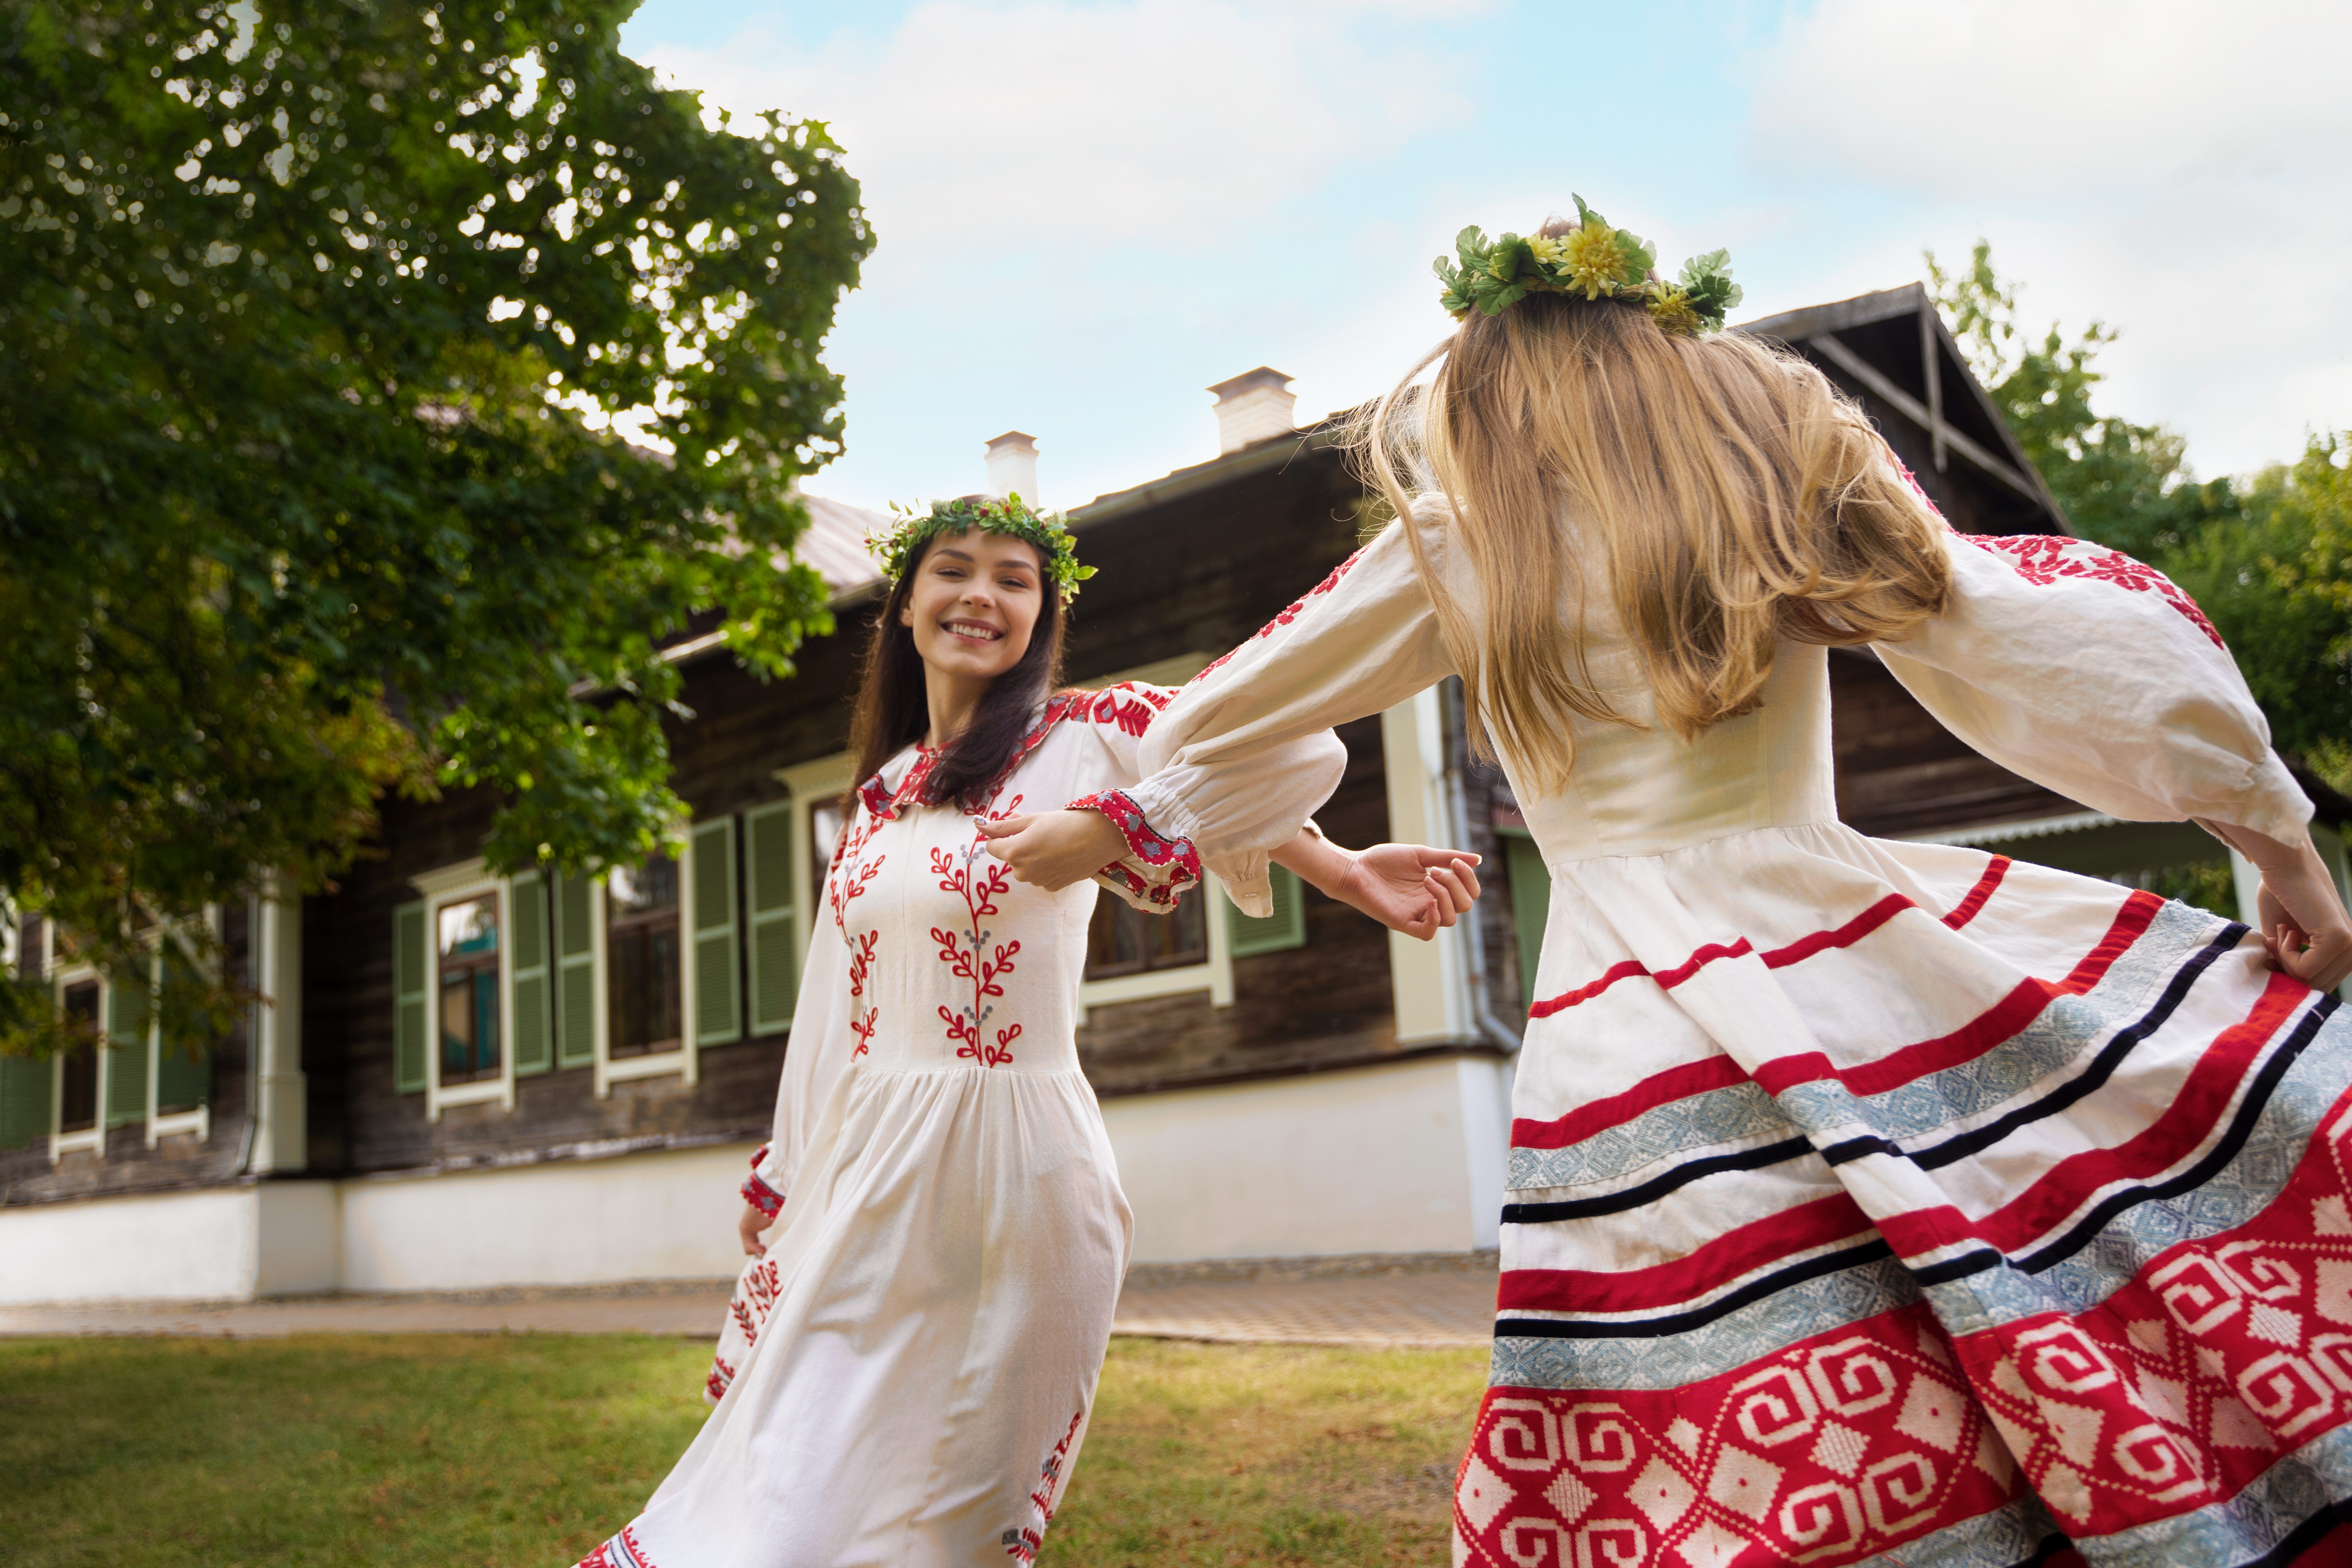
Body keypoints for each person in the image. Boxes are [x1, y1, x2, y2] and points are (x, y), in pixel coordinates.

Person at [983, 205, 2352, 1567]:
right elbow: (2034, 632)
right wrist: (2272, 831)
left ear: (1486, 381)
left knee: (1724, 1417)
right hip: (1856, 955)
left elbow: (1211, 718)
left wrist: (1164, 823)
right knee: (2011, 1263)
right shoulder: (1781, 469)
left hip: (1632, 1023)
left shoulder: (1464, 544)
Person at [569, 494, 1480, 1568]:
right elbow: (834, 1007)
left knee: (939, 1524)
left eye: (1016, 578)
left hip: (1018, 1176)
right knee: (778, 1484)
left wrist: (1282, 858)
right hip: (871, 1172)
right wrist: (788, 1168)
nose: (983, 596)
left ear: (1043, 613)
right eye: (956, 569)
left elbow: (1287, 749)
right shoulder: (878, 801)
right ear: (905, 604)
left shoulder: (1094, 734)